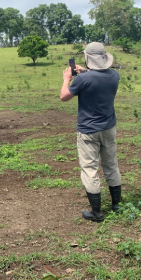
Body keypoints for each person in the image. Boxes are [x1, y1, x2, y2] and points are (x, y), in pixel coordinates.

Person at [60, 42, 121, 222]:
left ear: (87, 59)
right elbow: (98, 77)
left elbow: (64, 97)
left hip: (88, 131)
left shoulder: (82, 80)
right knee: (111, 164)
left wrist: (66, 79)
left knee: (89, 168)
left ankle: (96, 212)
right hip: (109, 128)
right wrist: (85, 72)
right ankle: (116, 204)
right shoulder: (114, 76)